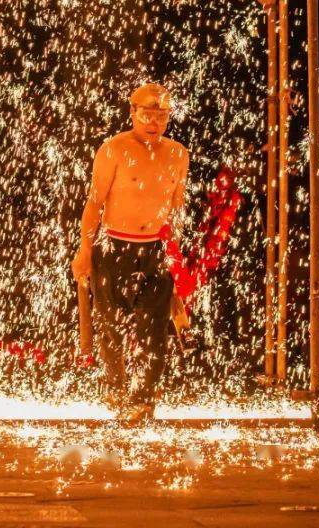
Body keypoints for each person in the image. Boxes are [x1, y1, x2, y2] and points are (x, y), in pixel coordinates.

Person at [73, 83, 188, 424]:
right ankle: (117, 390)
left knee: (154, 330)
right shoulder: (114, 149)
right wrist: (84, 249)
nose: (154, 121)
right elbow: (95, 203)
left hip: (155, 247)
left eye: (162, 114)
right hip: (113, 246)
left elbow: (176, 208)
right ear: (133, 113)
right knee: (111, 326)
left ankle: (144, 400)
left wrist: (175, 254)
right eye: (147, 114)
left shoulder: (179, 154)